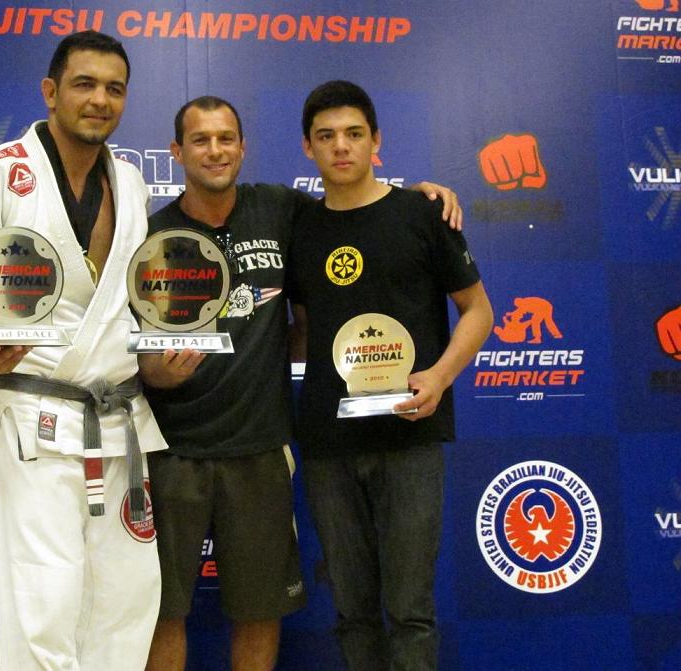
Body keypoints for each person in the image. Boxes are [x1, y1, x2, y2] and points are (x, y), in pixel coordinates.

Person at [139, 95, 465, 671]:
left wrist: (420, 198)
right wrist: (157, 372)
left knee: (260, 609)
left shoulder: (280, 209)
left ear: (243, 147)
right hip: (171, 450)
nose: (214, 150)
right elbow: (133, 349)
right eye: (200, 140)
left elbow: (358, 209)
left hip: (262, 447)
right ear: (175, 151)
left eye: (225, 138)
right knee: (162, 612)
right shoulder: (150, 233)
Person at [0, 31, 167, 671]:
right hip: (36, 416)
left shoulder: (131, 182)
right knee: (44, 599)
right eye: (85, 84)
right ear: (51, 91)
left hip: (118, 419)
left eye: (114, 88)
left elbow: (132, 297)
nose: (100, 100)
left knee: (127, 598)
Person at [288, 80, 494, 671]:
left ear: (376, 141)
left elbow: (479, 312)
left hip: (410, 433)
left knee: (409, 612)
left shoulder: (423, 212)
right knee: (352, 612)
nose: (341, 146)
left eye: (354, 133)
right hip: (329, 441)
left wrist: (440, 377)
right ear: (307, 147)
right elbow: (303, 326)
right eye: (326, 136)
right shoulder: (298, 228)